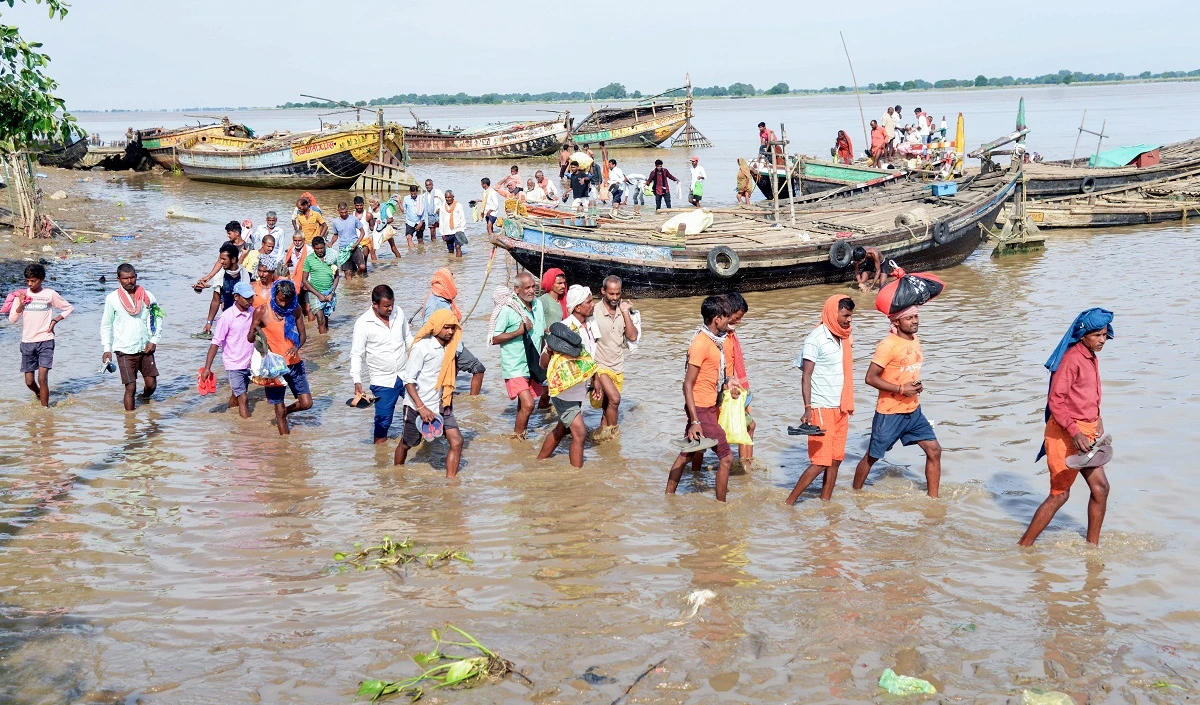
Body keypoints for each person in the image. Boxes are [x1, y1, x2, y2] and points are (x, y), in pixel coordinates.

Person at [1019, 309, 1114, 547]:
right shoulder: (1072, 359)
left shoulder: (1090, 356)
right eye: (1096, 335)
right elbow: (1056, 401)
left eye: (1104, 335)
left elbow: (1086, 395)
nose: (1102, 340)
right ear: (1083, 335)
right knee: (1060, 494)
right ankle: (1024, 546)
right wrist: (1075, 432)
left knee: (1100, 489)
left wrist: (1098, 416)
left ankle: (1092, 548)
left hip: (1086, 433)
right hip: (1066, 433)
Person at [851, 306, 942, 498]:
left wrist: (915, 385)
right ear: (896, 322)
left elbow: (906, 371)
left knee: (934, 450)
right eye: (909, 318)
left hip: (913, 410)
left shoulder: (915, 340)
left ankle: (933, 500)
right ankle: (855, 495)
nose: (915, 321)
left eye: (916, 316)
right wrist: (901, 389)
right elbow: (870, 378)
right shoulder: (887, 345)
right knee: (872, 456)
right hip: (890, 412)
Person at [786, 295, 855, 504]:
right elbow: (806, 375)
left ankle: (826, 503)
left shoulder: (844, 337)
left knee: (835, 460)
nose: (849, 320)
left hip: (841, 407)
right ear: (833, 313)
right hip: (821, 407)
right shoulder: (815, 338)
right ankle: (789, 503)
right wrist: (808, 407)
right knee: (820, 462)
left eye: (851, 316)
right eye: (845, 315)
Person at [666, 295, 735, 502]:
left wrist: (729, 382)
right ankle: (721, 506)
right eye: (726, 317)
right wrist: (695, 420)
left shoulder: (714, 341)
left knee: (687, 452)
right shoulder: (701, 343)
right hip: (701, 409)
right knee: (727, 457)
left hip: (708, 406)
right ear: (716, 319)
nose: (728, 321)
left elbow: (713, 373)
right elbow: (687, 384)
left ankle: (668, 496)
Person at [396, 309, 465, 476]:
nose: (450, 332)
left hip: (442, 404)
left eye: (453, 328)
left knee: (457, 442)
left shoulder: (451, 348)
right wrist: (421, 407)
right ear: (436, 327)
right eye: (446, 327)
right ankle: (397, 476)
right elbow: (408, 381)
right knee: (408, 443)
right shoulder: (422, 348)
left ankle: (451, 485)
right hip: (417, 406)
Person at [538, 286, 597, 468]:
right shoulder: (565, 328)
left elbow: (591, 357)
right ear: (577, 307)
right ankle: (576, 478)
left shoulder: (591, 325)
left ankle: (539, 462)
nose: (593, 304)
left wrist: (595, 382)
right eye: (589, 301)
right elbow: (543, 363)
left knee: (562, 428)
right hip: (563, 390)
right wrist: (549, 348)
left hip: (578, 388)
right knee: (579, 433)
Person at [351, 284, 412, 444]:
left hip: (406, 374)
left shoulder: (399, 313)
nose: (390, 308)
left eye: (392, 304)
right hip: (383, 381)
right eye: (386, 306)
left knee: (421, 410)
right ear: (375, 305)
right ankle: (380, 459)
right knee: (383, 423)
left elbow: (408, 337)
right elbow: (357, 354)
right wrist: (357, 380)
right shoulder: (363, 323)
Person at [248, 279, 312, 435]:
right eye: (280, 300)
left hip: (294, 363)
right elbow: (250, 338)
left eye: (287, 301)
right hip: (273, 368)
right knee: (279, 407)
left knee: (307, 403)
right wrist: (254, 334)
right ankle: (285, 446)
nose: (283, 304)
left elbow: (303, 335)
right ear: (275, 293)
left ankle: (286, 412)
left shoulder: (295, 309)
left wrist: (296, 347)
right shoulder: (262, 311)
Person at [8, 263, 73, 407]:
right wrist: (21, 305)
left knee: (42, 377)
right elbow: (12, 320)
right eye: (28, 281)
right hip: (27, 342)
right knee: (29, 381)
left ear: (41, 279)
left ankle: (45, 412)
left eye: (33, 280)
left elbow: (69, 308)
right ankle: (38, 393)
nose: (30, 284)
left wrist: (55, 320)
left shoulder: (49, 294)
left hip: (46, 340)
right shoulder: (21, 296)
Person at [490, 272, 545, 438]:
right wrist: (518, 332)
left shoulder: (538, 305)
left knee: (524, 404)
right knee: (529, 405)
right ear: (516, 289)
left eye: (533, 287)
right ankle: (517, 437)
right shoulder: (508, 309)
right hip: (515, 364)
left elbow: (541, 333)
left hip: (533, 362)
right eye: (527, 287)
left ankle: (521, 435)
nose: (531, 291)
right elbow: (494, 338)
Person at [100, 264, 163, 411]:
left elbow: (158, 317)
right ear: (118, 279)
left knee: (151, 385)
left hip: (145, 347)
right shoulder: (112, 299)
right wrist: (107, 349)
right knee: (130, 387)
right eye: (125, 278)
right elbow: (106, 324)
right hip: (124, 350)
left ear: (136, 276)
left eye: (132, 277)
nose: (130, 281)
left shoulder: (148, 296)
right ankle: (130, 425)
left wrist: (154, 340)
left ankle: (145, 400)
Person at [587, 275, 640, 434]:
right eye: (611, 294)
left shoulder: (624, 311)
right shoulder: (593, 311)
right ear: (603, 291)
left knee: (607, 405)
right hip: (599, 366)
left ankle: (603, 438)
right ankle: (613, 435)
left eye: (618, 294)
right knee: (615, 399)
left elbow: (632, 336)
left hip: (617, 366)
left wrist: (625, 312)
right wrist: (594, 375)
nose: (615, 297)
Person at [423, 268, 485, 395]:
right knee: (478, 368)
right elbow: (427, 327)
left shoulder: (444, 298)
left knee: (449, 379)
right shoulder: (434, 301)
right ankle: (474, 404)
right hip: (449, 346)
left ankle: (451, 402)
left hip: (455, 344)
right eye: (450, 279)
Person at [201, 280, 256, 419]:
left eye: (251, 297)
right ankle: (247, 430)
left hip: (249, 362)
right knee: (243, 398)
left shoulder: (253, 312)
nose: (250, 300)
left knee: (237, 394)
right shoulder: (227, 317)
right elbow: (215, 343)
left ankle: (230, 414)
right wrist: (207, 368)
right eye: (247, 298)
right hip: (234, 364)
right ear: (236, 297)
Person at [722, 292, 755, 468]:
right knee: (748, 427)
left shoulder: (729, 335)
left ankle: (746, 466)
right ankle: (745, 469)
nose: (739, 321)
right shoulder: (722, 337)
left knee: (749, 427)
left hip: (732, 387)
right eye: (737, 317)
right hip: (726, 389)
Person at [197, 241, 247, 338]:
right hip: (228, 317)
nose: (221, 262)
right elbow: (216, 301)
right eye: (220, 259)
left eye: (224, 259)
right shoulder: (220, 276)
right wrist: (209, 322)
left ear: (233, 259)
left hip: (245, 317)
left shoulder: (245, 274)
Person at [301, 235, 339, 334]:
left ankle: (325, 342)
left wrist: (332, 292)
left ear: (325, 246)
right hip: (315, 293)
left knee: (326, 319)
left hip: (329, 292)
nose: (320, 250)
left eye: (322, 248)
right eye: (317, 249)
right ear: (313, 248)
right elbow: (304, 280)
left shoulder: (331, 258)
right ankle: (322, 345)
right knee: (320, 320)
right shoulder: (309, 260)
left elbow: (337, 276)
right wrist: (318, 294)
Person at [329, 201, 366, 278]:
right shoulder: (336, 222)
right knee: (347, 273)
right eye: (342, 212)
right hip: (343, 249)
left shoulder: (354, 219)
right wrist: (331, 243)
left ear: (348, 209)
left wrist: (357, 243)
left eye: (345, 212)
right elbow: (335, 235)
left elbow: (362, 232)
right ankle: (349, 289)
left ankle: (357, 275)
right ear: (338, 210)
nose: (344, 214)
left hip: (355, 246)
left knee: (362, 267)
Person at [285, 229, 314, 321]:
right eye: (295, 241)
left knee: (309, 308)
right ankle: (305, 328)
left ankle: (312, 330)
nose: (297, 243)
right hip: (296, 283)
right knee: (300, 307)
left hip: (308, 282)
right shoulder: (291, 250)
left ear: (304, 240)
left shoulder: (309, 251)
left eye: (299, 240)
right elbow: (287, 263)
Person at [371, 194, 405, 262]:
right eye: (370, 202)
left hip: (385, 229)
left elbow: (391, 219)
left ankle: (399, 261)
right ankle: (375, 268)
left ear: (377, 202)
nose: (370, 204)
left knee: (392, 248)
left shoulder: (384, 208)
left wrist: (383, 221)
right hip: (377, 230)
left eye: (372, 202)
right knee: (373, 250)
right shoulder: (371, 210)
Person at [438, 190, 467, 257]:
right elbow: (441, 220)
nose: (448, 199)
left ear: (453, 197)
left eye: (449, 197)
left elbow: (462, 218)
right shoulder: (442, 207)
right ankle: (451, 265)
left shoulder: (459, 206)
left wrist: (461, 230)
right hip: (447, 231)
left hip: (457, 231)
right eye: (446, 198)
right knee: (450, 250)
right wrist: (442, 233)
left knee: (457, 247)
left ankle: (459, 265)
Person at [349, 196, 371, 276]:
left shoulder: (368, 215)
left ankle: (364, 276)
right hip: (354, 240)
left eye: (361, 205)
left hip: (365, 240)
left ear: (363, 205)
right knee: (355, 260)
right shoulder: (351, 215)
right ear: (354, 205)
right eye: (357, 205)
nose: (359, 207)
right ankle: (357, 275)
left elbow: (372, 228)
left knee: (364, 258)